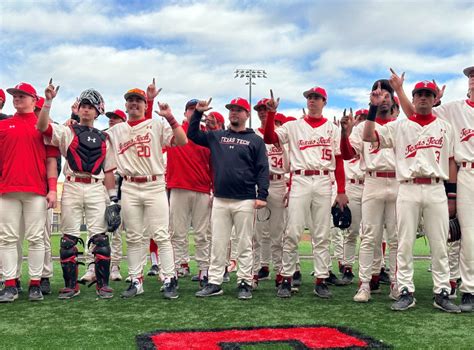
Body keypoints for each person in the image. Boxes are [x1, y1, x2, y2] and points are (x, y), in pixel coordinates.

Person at [362, 80, 460, 313]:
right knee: (404, 242)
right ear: (413, 99)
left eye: (428, 94)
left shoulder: (446, 126)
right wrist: (373, 108)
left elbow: (450, 161)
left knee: (439, 243)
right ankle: (405, 290)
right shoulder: (399, 126)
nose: (424, 98)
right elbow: (368, 137)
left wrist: (452, 196)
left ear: (435, 99)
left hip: (436, 187)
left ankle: (442, 291)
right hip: (407, 186)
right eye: (419, 94)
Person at [390, 66, 474, 312]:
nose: (473, 80)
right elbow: (416, 114)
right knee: (468, 237)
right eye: (471, 76)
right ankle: (469, 289)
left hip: (437, 185)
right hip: (466, 169)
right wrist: (400, 91)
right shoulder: (453, 109)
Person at [264, 87, 348, 299]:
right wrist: (272, 114)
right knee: (292, 231)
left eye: (316, 98)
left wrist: (342, 190)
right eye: (309, 97)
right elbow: (269, 137)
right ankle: (286, 278)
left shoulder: (332, 128)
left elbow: (339, 161)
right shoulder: (293, 126)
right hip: (300, 178)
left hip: (322, 179)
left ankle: (321, 279)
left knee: (321, 234)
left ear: (324, 102)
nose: (312, 101)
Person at [105, 86, 187, 299]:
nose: (134, 103)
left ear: (144, 104)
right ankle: (135, 279)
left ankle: (170, 278)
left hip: (154, 183)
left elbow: (182, 140)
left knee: (160, 234)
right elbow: (96, 139)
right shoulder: (117, 130)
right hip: (129, 186)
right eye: (130, 100)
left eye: (138, 100)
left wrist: (170, 117)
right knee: (133, 236)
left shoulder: (156, 124)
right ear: (126, 105)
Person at [37, 81, 116, 300]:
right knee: (68, 239)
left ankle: (103, 284)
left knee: (100, 238)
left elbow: (108, 170)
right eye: (83, 104)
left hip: (95, 187)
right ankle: (71, 285)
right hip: (71, 184)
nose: (86, 108)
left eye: (91, 105)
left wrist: (113, 199)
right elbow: (42, 126)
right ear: (77, 107)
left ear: (98, 110)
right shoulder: (66, 131)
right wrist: (48, 102)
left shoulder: (105, 138)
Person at [190, 97, 269, 300]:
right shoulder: (217, 136)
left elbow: (262, 169)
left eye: (239, 110)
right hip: (221, 199)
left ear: (246, 114)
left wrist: (263, 195)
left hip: (245, 198)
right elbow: (193, 135)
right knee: (218, 243)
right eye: (231, 109)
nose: (234, 113)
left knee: (244, 243)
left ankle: (244, 281)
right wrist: (198, 113)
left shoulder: (255, 140)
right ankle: (215, 281)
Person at [340, 80, 399, 303]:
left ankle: (396, 283)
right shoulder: (361, 128)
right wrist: (345, 134)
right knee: (368, 236)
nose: (382, 98)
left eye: (386, 94)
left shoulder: (400, 126)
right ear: (372, 100)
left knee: (395, 238)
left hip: (397, 181)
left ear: (393, 101)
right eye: (377, 94)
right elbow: (347, 155)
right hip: (372, 181)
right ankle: (364, 284)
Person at [0, 83, 59, 303]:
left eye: (22, 95)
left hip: (36, 191)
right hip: (7, 191)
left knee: (36, 239)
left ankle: (35, 283)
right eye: (14, 95)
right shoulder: (3, 126)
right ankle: (10, 284)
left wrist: (52, 189)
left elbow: (51, 161)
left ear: (34, 100)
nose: (16, 98)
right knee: (7, 239)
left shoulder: (44, 127)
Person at [166, 99, 212, 287]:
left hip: (202, 189)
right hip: (179, 187)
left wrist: (214, 189)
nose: (193, 112)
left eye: (196, 109)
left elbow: (215, 164)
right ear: (185, 113)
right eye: (190, 109)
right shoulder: (174, 132)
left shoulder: (206, 136)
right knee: (178, 232)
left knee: (202, 234)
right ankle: (179, 266)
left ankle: (203, 269)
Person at [253, 98, 289, 289]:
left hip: (278, 183)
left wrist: (289, 186)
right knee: (258, 234)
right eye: (259, 109)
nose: (262, 112)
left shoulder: (282, 135)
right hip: (259, 185)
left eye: (265, 109)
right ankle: (259, 269)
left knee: (277, 232)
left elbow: (292, 162)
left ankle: (280, 272)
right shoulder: (253, 135)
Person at [104, 109, 127, 282]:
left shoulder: (126, 139)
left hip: (122, 189)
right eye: (110, 118)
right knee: (97, 230)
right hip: (101, 188)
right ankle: (95, 266)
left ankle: (115, 266)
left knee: (116, 231)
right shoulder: (103, 137)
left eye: (115, 118)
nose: (111, 120)